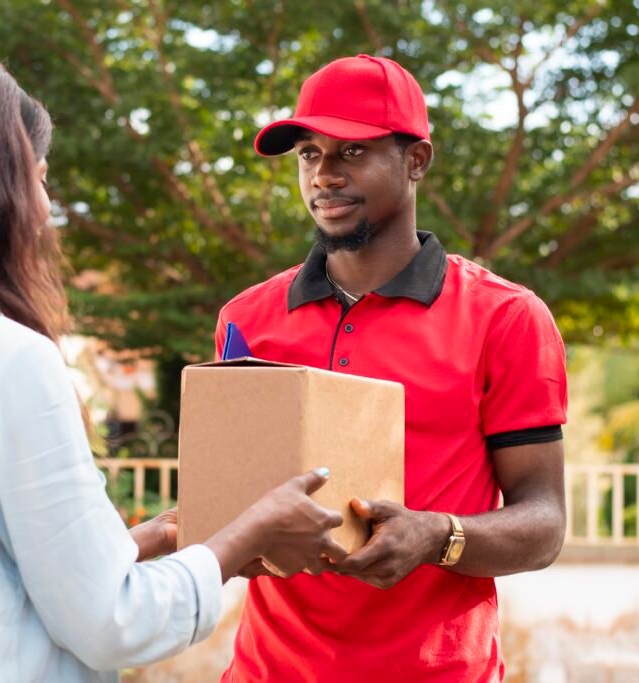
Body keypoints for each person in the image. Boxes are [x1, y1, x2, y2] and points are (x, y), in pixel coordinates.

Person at [0, 49, 349, 682]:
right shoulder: (12, 360)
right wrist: (256, 527)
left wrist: (158, 536)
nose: (43, 204)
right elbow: (112, 620)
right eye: (39, 175)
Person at [215, 54, 568, 681]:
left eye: (350, 153)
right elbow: (236, 498)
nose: (323, 175)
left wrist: (438, 535)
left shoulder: (506, 318)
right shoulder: (246, 318)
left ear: (416, 161)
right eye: (308, 154)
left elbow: (544, 524)